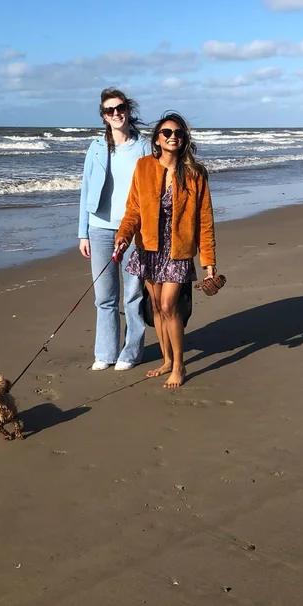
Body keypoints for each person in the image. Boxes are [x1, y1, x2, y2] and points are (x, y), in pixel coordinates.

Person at [115, 113, 218, 389]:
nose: (173, 136)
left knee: (169, 306)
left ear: (184, 139)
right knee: (157, 309)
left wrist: (209, 262)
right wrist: (123, 236)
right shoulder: (144, 167)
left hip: (178, 250)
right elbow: (133, 209)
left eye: (178, 133)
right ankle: (167, 360)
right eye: (167, 132)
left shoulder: (195, 173)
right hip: (148, 247)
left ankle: (180, 365)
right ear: (157, 139)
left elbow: (205, 220)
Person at [77, 87, 151, 371]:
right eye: (110, 110)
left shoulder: (144, 147)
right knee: (103, 296)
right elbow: (85, 190)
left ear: (128, 110)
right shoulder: (96, 147)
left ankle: (131, 352)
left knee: (132, 294)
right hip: (99, 228)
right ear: (104, 116)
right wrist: (83, 232)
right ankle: (105, 353)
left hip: (133, 228)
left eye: (120, 108)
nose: (116, 113)